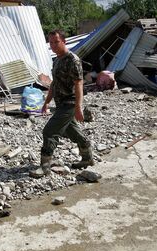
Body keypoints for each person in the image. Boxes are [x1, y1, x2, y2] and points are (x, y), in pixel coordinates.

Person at [29, 29, 94, 178]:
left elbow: (79, 84)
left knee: (49, 131)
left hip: (69, 103)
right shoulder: (57, 60)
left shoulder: (73, 60)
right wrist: (46, 102)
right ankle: (87, 158)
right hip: (60, 103)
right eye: (51, 42)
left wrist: (78, 107)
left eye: (56, 42)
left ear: (63, 41)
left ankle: (45, 166)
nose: (53, 45)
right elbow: (54, 84)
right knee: (72, 131)